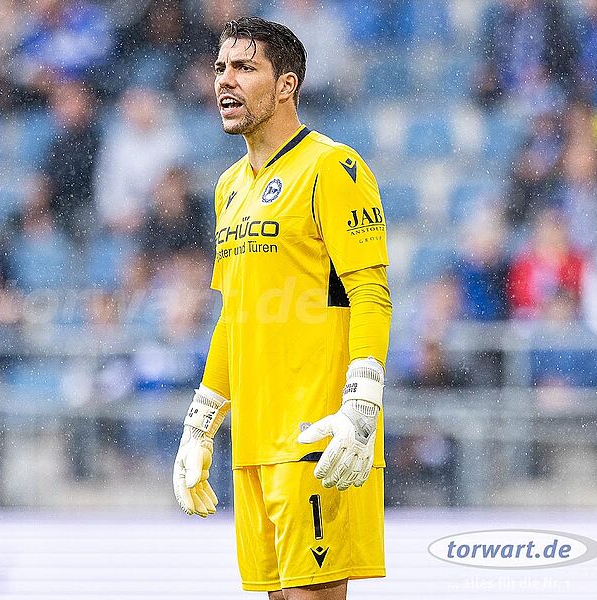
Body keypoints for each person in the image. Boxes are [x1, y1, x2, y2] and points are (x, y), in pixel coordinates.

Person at [171, 17, 392, 599]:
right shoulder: (228, 186)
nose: (225, 80)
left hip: (316, 432)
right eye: (220, 68)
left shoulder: (332, 167)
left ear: (287, 84)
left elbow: (369, 292)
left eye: (245, 68)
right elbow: (233, 314)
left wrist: (361, 406)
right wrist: (201, 424)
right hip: (253, 442)